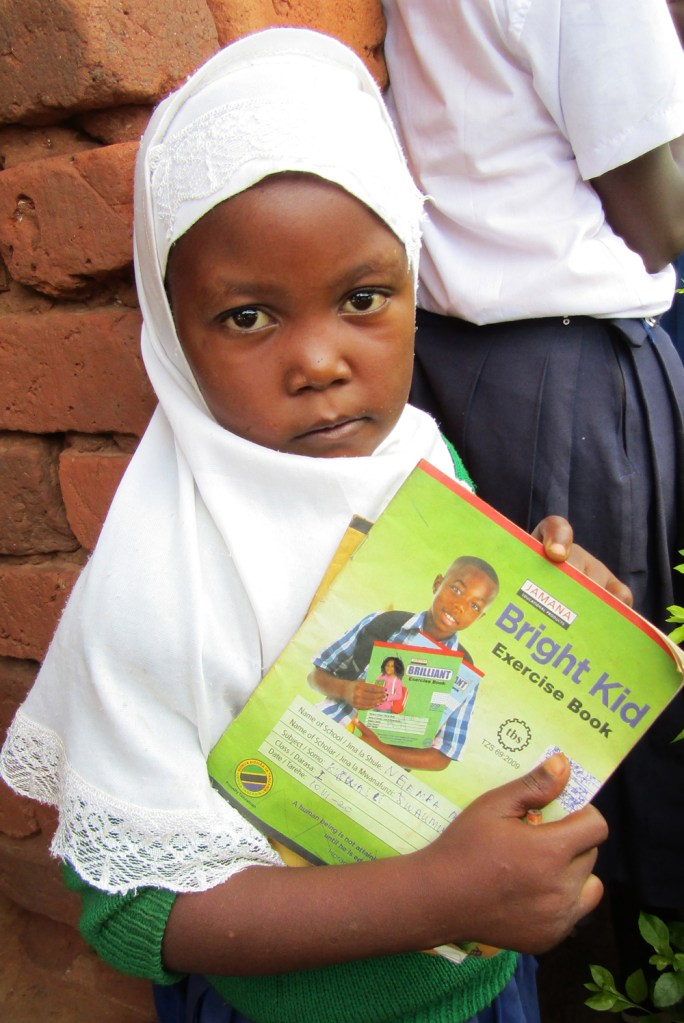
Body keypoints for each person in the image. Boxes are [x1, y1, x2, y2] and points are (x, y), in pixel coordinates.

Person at [0, 29, 623, 1023]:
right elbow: (131, 915)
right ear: (172, 332)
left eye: (363, 298)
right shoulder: (164, 576)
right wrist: (440, 896)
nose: (320, 363)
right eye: (249, 317)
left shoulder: (419, 459)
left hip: (481, 986)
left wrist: (554, 608)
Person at [381, 0, 684, 943]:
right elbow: (661, 220)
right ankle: (616, 957)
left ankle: (538, 953)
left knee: (521, 685)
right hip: (569, 373)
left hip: (451, 360)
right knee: (600, 691)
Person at [311, 555, 499, 770]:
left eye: (474, 605)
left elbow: (443, 755)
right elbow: (315, 675)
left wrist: (380, 749)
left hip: (377, 771)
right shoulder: (384, 623)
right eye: (456, 590)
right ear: (437, 584)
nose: (460, 606)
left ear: (480, 617)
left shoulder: (464, 671)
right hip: (326, 732)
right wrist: (346, 690)